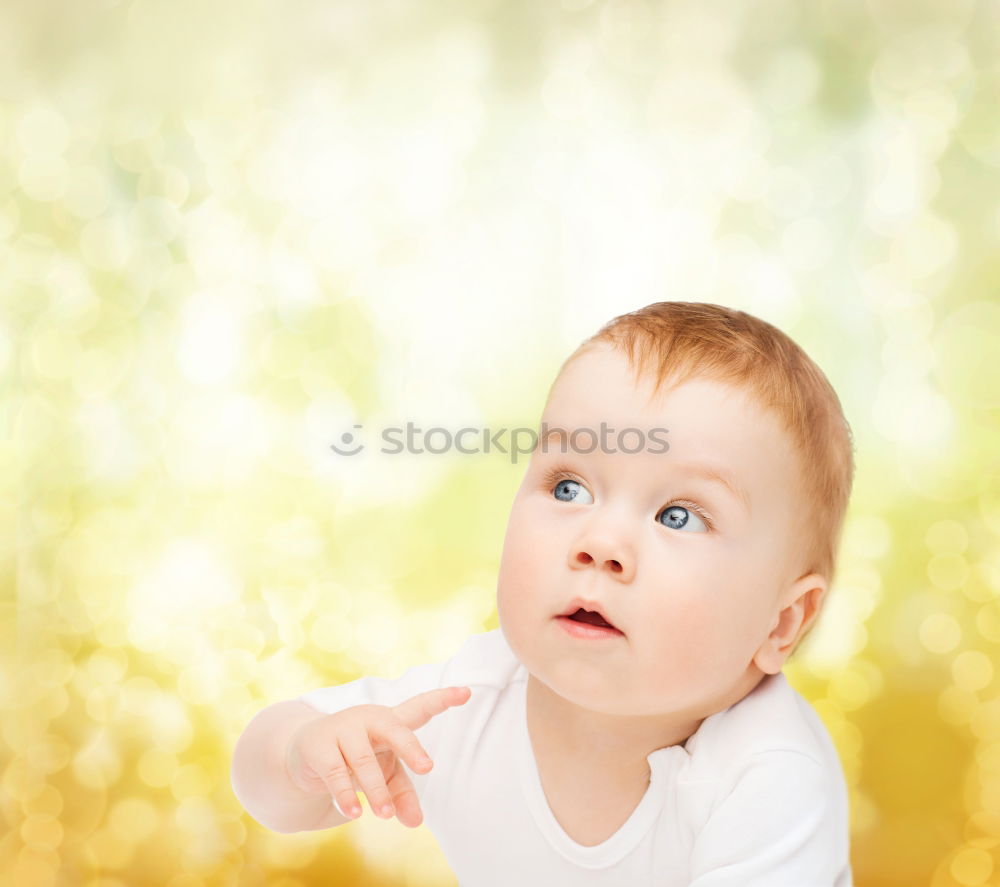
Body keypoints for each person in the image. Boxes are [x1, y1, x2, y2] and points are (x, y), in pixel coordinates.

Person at [231, 301, 857, 886]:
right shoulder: (470, 702)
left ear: (782, 623)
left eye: (678, 516)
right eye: (567, 487)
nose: (600, 540)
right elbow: (272, 793)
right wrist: (300, 757)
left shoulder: (769, 776)